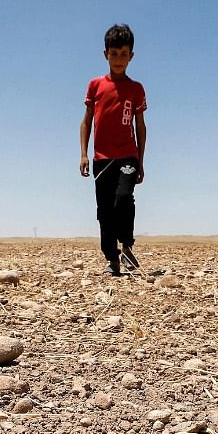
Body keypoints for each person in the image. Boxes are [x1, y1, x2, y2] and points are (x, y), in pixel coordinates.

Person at [79, 23, 146, 276]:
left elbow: (141, 126)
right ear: (106, 54)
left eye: (124, 54)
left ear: (131, 56)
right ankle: (112, 258)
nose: (119, 59)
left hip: (128, 155)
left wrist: (141, 159)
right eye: (114, 53)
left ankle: (127, 244)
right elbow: (87, 121)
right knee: (104, 210)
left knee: (123, 199)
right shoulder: (95, 86)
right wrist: (84, 153)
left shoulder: (136, 89)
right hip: (101, 158)